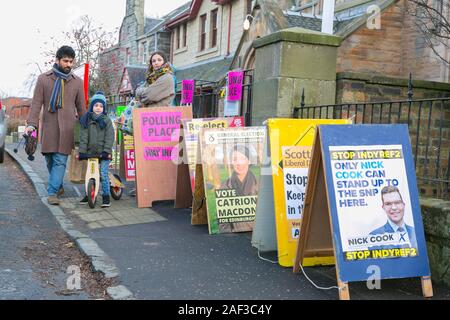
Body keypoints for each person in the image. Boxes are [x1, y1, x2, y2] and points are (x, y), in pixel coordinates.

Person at [25, 46, 86, 205]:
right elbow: (36, 104)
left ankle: (52, 193)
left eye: (71, 61)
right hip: (49, 127)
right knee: (50, 160)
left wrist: (87, 125)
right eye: (65, 61)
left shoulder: (77, 82)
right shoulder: (43, 79)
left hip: (68, 129)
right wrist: (31, 124)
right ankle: (57, 185)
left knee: (60, 161)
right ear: (57, 60)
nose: (69, 64)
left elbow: (81, 107)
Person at [78, 92, 115, 208]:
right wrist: (82, 152)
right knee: (90, 174)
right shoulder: (87, 120)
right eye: (96, 105)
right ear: (92, 107)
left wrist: (106, 151)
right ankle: (88, 194)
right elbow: (83, 137)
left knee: (103, 174)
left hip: (104, 153)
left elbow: (110, 137)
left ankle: (106, 196)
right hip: (91, 153)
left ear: (103, 108)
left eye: (101, 106)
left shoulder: (107, 121)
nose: (98, 108)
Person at [219, 145, 259, 233]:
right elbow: (223, 223)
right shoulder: (224, 186)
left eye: (243, 158)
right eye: (235, 159)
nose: (239, 163)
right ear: (232, 163)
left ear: (249, 161)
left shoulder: (260, 186)